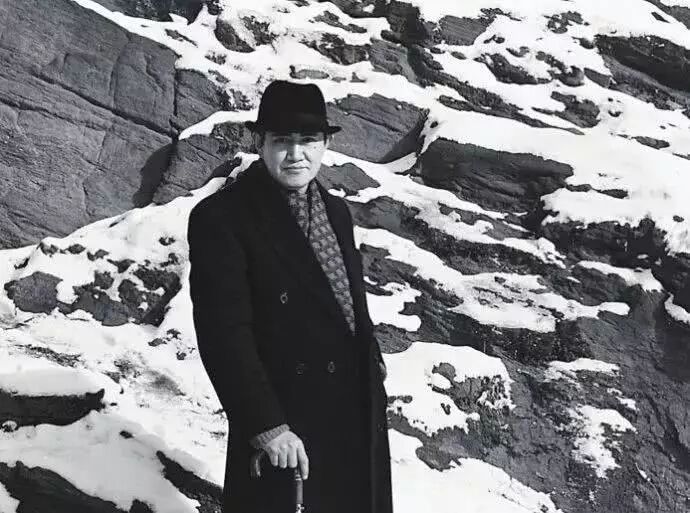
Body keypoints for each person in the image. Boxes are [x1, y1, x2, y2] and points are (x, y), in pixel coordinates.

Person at [187, 80, 393, 513]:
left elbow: (350, 305)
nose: (296, 154)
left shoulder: (336, 212)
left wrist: (373, 366)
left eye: (309, 141)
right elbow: (224, 335)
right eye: (282, 141)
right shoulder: (222, 218)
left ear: (325, 145)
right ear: (259, 143)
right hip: (286, 425)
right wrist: (267, 426)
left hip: (355, 411)